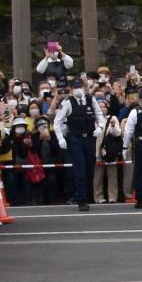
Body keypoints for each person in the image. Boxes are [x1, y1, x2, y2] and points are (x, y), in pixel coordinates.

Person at [52, 80, 98, 211]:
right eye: (75, 87)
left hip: (89, 138)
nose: (78, 89)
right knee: (80, 171)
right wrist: (61, 138)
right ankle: (81, 199)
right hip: (75, 139)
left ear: (84, 87)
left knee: (90, 170)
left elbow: (99, 115)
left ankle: (86, 195)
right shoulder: (67, 103)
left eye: (80, 86)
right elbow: (57, 122)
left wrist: (100, 127)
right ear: (71, 89)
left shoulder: (91, 99)